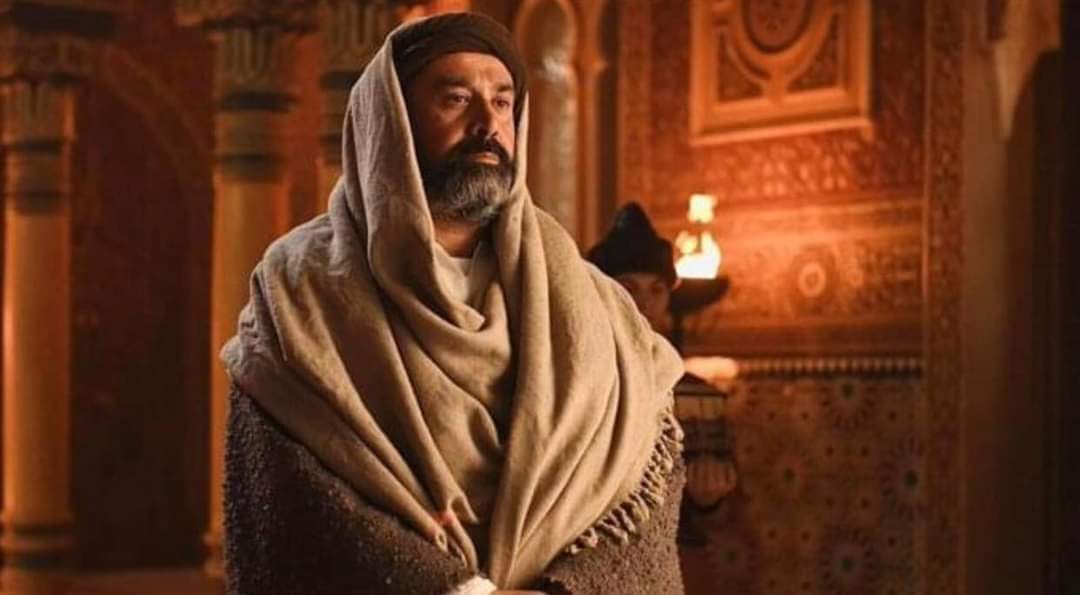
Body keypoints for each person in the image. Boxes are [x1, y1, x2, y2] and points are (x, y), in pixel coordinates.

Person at [220, 12, 686, 595]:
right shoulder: (299, 290)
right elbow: (283, 489)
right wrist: (454, 587)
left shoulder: (595, 301)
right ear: (393, 121)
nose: (487, 124)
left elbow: (648, 471)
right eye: (456, 99)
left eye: (502, 102)